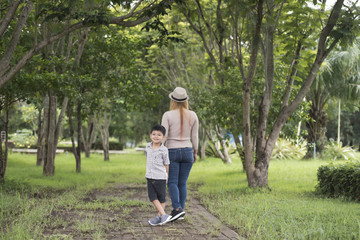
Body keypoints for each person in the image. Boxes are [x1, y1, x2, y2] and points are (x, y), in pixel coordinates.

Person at [161, 87, 199, 222]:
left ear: (173, 100)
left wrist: (158, 151)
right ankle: (180, 212)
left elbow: (163, 136)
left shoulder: (167, 115)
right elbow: (195, 136)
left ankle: (177, 209)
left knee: (171, 182)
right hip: (188, 150)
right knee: (182, 183)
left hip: (172, 151)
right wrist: (195, 152)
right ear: (185, 100)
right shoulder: (193, 115)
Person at [145, 124, 171, 226]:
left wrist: (167, 176)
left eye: (159, 135)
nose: (156, 136)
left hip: (160, 177)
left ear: (163, 137)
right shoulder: (147, 146)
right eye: (154, 134)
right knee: (152, 197)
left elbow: (166, 164)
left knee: (161, 198)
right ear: (150, 135)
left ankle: (160, 216)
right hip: (150, 176)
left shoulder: (164, 150)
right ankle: (163, 215)